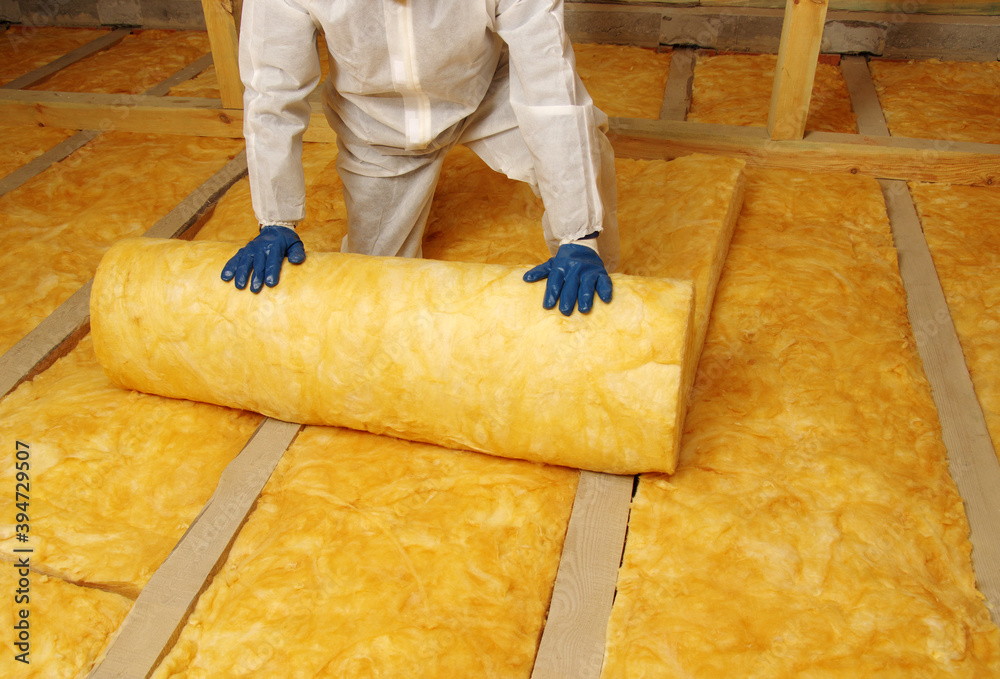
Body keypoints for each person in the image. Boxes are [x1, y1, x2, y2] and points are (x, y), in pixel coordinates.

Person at [221, 0, 619, 316]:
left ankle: (600, 287)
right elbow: (271, 92)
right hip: (376, 124)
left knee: (588, 154)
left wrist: (580, 235)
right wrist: (275, 218)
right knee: (374, 290)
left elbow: (551, 89)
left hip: (487, 92)